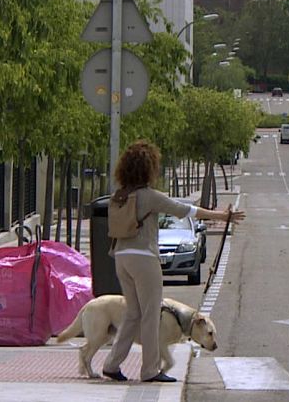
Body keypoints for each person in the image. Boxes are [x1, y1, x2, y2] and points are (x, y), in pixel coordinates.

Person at [102, 140, 246, 383]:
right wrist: (222, 216)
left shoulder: (118, 196)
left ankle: (112, 364)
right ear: (149, 168)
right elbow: (185, 210)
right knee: (150, 315)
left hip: (120, 257)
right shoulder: (149, 196)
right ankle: (149, 370)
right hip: (144, 258)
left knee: (132, 314)